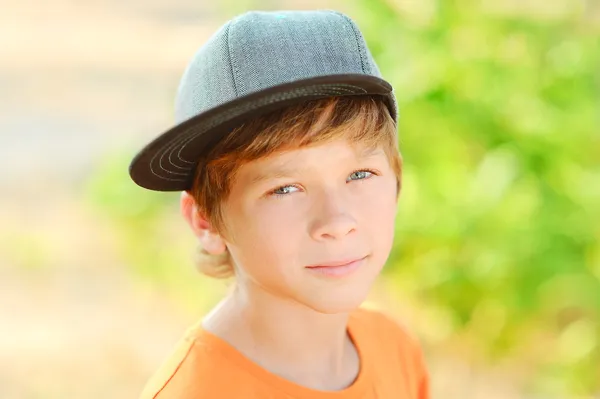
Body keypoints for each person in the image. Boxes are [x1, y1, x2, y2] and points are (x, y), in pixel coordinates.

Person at [129, 9, 429, 399]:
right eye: (285, 188)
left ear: (397, 183)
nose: (336, 222)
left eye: (359, 175)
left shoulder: (394, 348)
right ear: (206, 221)